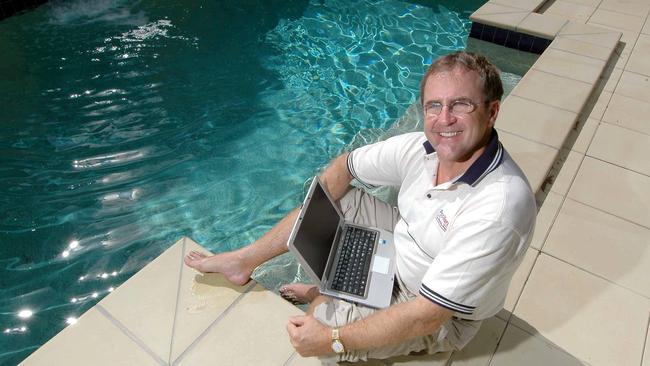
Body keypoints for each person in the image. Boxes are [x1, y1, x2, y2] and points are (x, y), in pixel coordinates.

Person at [184, 51, 536, 363]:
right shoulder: (420, 149)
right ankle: (244, 260)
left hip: (440, 313)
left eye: (461, 104)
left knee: (316, 331)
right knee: (335, 201)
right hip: (403, 250)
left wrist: (332, 340)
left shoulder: (498, 209)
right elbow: (343, 168)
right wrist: (319, 213)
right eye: (434, 105)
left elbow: (427, 315)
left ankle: (326, 294)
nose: (443, 119)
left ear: (491, 112)